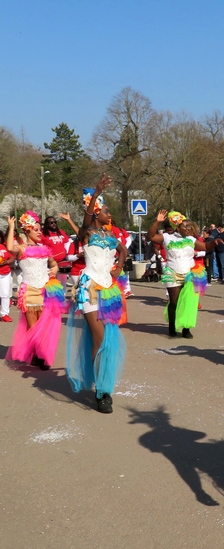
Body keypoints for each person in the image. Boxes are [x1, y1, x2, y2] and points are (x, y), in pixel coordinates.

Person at [66, 177, 128, 413]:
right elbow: (84, 221)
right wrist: (98, 191)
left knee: (108, 339)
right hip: (90, 287)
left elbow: (123, 250)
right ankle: (101, 392)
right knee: (100, 338)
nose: (108, 214)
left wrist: (119, 268)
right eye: (105, 210)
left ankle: (102, 385)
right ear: (95, 212)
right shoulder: (87, 233)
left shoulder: (111, 235)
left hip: (109, 288)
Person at [6, 211, 66, 370]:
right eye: (36, 229)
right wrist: (11, 227)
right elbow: (10, 247)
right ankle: (37, 355)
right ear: (27, 230)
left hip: (46, 292)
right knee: (33, 328)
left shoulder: (45, 249)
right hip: (29, 292)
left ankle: (40, 354)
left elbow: (54, 264)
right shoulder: (22, 249)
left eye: (40, 229)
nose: (40, 232)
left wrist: (54, 270)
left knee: (44, 327)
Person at [147, 210, 214, 338]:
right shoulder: (166, 237)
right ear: (177, 227)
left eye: (189, 227)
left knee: (189, 302)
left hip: (189, 274)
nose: (188, 229)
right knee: (174, 302)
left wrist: (214, 242)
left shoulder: (191, 239)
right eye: (185, 226)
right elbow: (151, 236)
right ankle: (172, 325)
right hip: (172, 272)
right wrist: (157, 222)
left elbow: (205, 247)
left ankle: (186, 329)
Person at [41, 215, 73, 287]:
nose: (54, 224)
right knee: (52, 286)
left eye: (55, 222)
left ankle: (62, 298)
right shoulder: (43, 235)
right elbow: (40, 248)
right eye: (51, 223)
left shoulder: (61, 232)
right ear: (47, 225)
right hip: (50, 265)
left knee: (62, 285)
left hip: (62, 263)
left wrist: (68, 254)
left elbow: (68, 244)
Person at [0, 230, 15, 322]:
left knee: (5, 294)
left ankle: (4, 314)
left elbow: (12, 257)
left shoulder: (5, 247)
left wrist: (6, 262)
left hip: (5, 273)